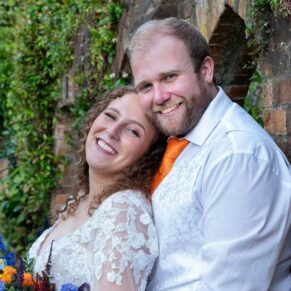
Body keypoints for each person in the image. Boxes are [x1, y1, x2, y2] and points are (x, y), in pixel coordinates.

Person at [128, 17, 291, 290]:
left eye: (169, 77)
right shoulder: (180, 141)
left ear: (205, 70)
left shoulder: (238, 156)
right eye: (146, 86)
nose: (159, 96)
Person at [28, 86, 166, 290]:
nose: (112, 131)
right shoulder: (81, 199)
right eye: (110, 116)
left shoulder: (124, 211)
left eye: (133, 131)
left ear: (149, 155)